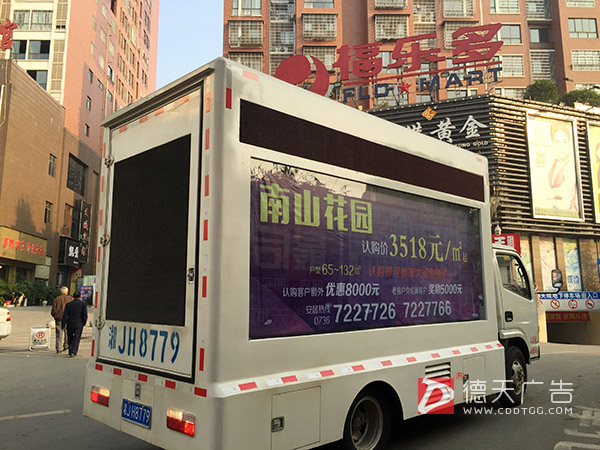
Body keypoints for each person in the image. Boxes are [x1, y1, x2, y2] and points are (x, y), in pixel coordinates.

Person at [62, 291, 88, 357]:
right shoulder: (83, 304)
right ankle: (74, 351)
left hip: (70, 322)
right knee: (77, 337)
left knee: (70, 337)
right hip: (79, 323)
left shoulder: (68, 304)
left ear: (73, 296)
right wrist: (84, 322)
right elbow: (84, 314)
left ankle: (70, 350)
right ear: (80, 296)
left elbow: (65, 315)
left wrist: (63, 324)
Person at [51, 286, 73, 353]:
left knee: (59, 333)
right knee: (67, 333)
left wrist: (55, 315)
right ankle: (66, 346)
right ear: (67, 292)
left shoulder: (56, 299)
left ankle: (58, 348)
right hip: (68, 318)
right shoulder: (71, 299)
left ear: (61, 292)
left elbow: (53, 310)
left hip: (59, 318)